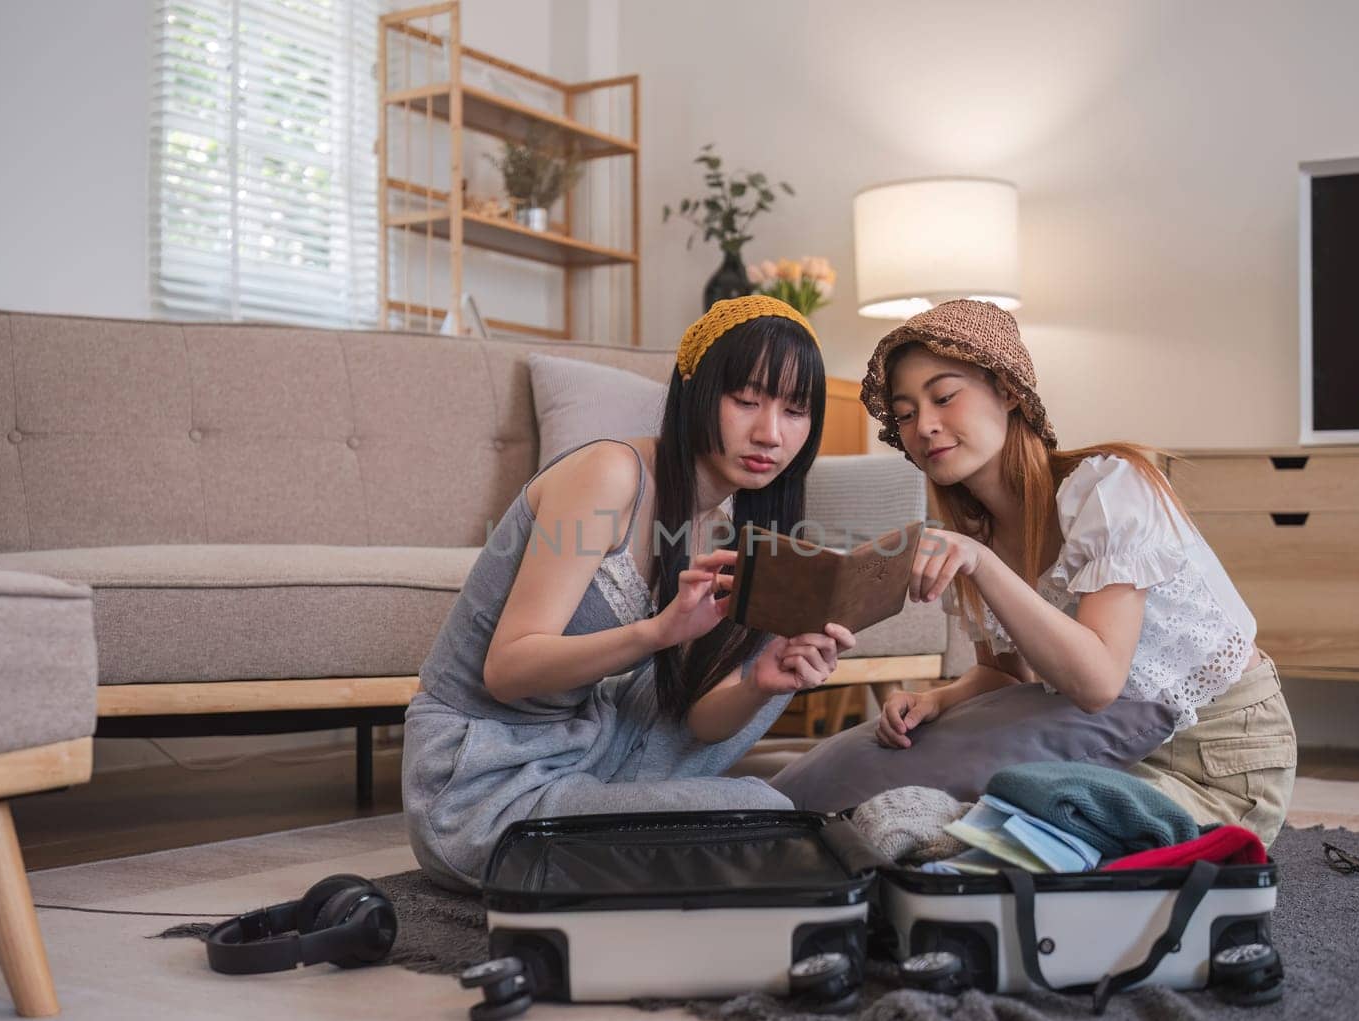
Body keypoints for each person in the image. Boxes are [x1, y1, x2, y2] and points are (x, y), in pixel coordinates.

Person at [775, 299, 1296, 846]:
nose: (924, 426)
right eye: (904, 414)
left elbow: (1097, 683)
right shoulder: (973, 536)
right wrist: (938, 699)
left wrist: (983, 564)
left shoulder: (1110, 488)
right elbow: (1004, 677)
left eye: (945, 396)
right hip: (1102, 740)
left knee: (999, 841)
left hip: (1221, 759)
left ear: (1007, 391)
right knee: (945, 818)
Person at [403, 296, 857, 889]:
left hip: (590, 750)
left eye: (795, 411)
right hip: (481, 782)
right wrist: (658, 632)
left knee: (774, 645)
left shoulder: (726, 527)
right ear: (696, 392)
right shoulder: (610, 474)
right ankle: (662, 821)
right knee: (756, 812)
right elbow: (507, 670)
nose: (769, 433)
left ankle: (645, 817)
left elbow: (695, 719)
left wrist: (758, 684)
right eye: (746, 401)